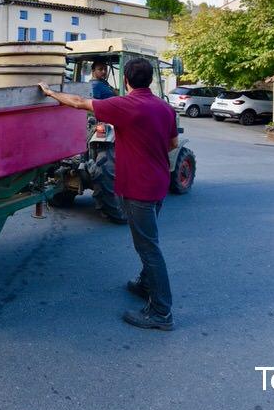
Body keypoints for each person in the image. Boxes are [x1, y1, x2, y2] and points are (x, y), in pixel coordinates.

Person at [39, 57, 177, 331]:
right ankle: (145, 284)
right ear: (150, 79)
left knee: (148, 247)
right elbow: (172, 145)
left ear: (125, 79)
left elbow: (79, 103)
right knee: (150, 240)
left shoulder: (126, 105)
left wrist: (51, 92)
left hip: (139, 189)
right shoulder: (165, 107)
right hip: (158, 183)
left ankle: (162, 312)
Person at [86, 60, 125, 224]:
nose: (104, 72)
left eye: (106, 69)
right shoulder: (97, 86)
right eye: (101, 69)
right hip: (103, 120)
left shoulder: (99, 85)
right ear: (93, 70)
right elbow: (118, 100)